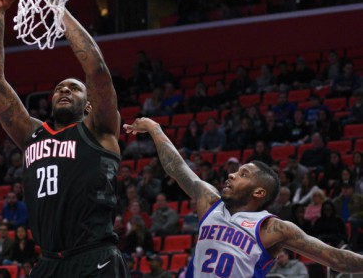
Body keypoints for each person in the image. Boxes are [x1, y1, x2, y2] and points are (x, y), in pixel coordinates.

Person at [0, 0, 129, 277]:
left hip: (95, 256)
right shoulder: (33, 134)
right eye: (59, 88)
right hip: (48, 262)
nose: (64, 89)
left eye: (74, 89)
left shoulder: (99, 129)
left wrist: (56, 4)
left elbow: (98, 72)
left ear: (89, 104)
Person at [123, 117, 363, 276]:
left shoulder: (272, 228)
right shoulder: (210, 202)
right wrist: (155, 129)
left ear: (259, 192)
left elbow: (336, 258)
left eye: (243, 174)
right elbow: (177, 167)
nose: (231, 175)